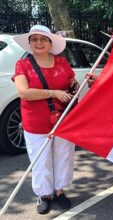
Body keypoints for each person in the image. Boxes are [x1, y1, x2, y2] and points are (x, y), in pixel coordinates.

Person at [12, 25, 78, 214]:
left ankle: (59, 191)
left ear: (50, 43)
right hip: (35, 121)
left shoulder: (62, 62)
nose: (39, 43)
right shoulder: (22, 64)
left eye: (43, 39)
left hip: (63, 118)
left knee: (64, 156)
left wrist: (74, 85)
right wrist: (53, 93)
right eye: (34, 39)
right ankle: (44, 194)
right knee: (40, 160)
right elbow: (24, 92)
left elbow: (72, 81)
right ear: (30, 43)